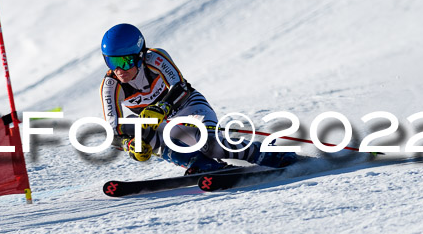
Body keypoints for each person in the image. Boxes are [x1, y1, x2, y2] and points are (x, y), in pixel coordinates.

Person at [99, 23, 297, 174]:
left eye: (125, 61)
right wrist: (129, 145)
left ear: (140, 55)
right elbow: (112, 131)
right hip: (163, 125)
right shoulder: (111, 85)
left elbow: (181, 88)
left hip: (189, 107)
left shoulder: (155, 58)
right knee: (134, 127)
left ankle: (273, 155)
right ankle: (199, 164)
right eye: (112, 61)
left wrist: (162, 108)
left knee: (212, 146)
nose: (119, 70)